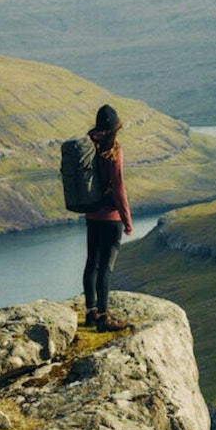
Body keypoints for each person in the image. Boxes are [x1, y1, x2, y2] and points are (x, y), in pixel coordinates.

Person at [83, 104, 133, 332]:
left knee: (91, 262)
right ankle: (104, 316)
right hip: (111, 217)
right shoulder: (114, 151)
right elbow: (119, 187)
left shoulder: (88, 146)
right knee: (106, 266)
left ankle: (90, 312)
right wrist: (127, 220)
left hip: (91, 214)